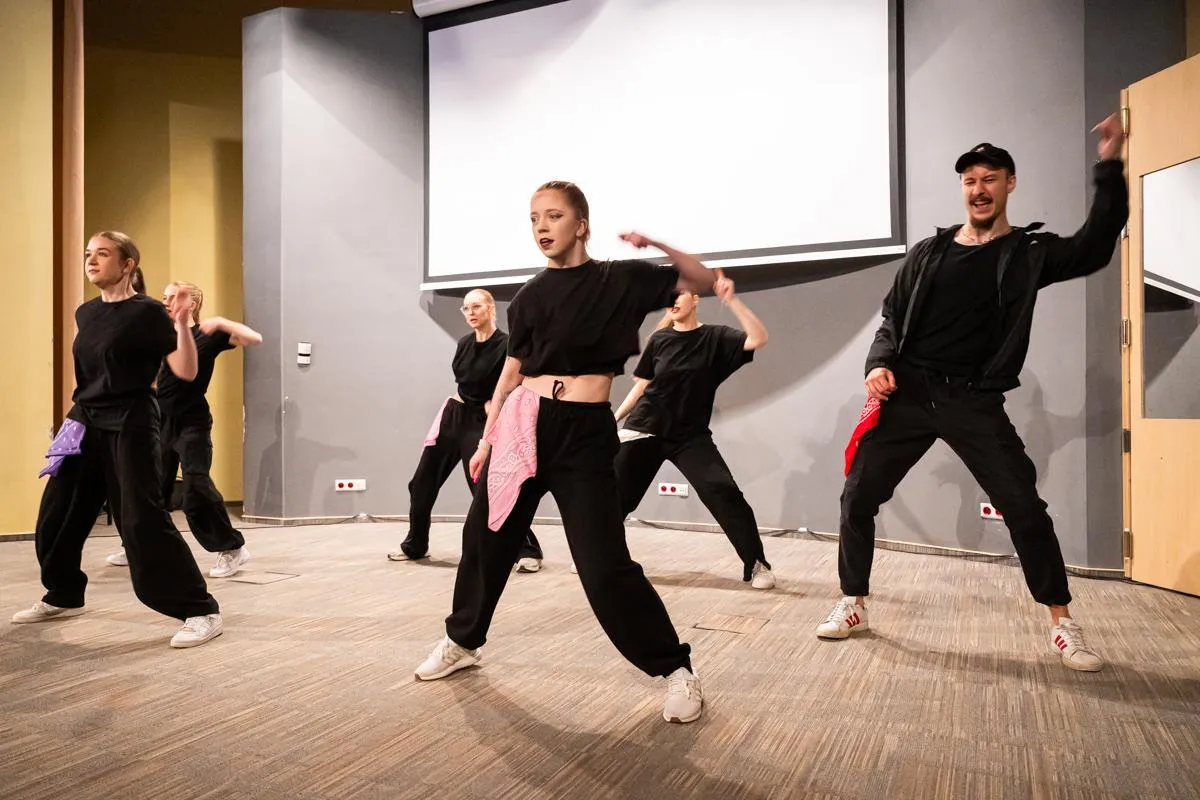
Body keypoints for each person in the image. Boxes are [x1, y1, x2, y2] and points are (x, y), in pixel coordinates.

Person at [818, 116, 1128, 672]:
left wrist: (1110, 166)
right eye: (969, 180)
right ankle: (854, 600)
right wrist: (878, 363)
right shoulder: (927, 252)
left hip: (972, 400)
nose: (979, 189)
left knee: (1024, 508)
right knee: (857, 495)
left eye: (990, 179)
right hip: (909, 393)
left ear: (1010, 184)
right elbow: (891, 317)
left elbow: (1095, 246)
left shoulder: (1028, 253)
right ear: (962, 188)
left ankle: (1062, 623)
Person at [414, 181, 716, 724]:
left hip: (585, 432)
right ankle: (463, 640)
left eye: (553, 216)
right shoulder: (529, 296)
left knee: (603, 564)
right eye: (534, 218)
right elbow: (513, 371)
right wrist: (487, 439)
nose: (541, 227)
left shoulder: (622, 279)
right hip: (524, 423)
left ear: (581, 224)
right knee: (484, 538)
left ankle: (676, 669)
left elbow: (703, 279)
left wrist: (655, 245)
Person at [12, 232, 223, 648]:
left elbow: (184, 370)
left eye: (103, 254)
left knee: (141, 519)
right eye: (88, 253)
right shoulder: (86, 313)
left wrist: (182, 323)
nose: (91, 260)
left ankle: (200, 609)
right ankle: (64, 593)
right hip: (84, 419)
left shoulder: (148, 312)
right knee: (58, 511)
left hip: (131, 420)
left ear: (128, 264)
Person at [611, 279, 774, 588]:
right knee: (615, 497)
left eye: (680, 295)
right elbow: (642, 386)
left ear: (696, 299)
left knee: (723, 491)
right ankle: (601, 558)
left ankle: (757, 564)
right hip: (645, 428)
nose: (673, 300)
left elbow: (758, 338)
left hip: (690, 436)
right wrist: (615, 419)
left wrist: (732, 300)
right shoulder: (659, 339)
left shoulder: (716, 337)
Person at [106, 281, 261, 578]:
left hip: (192, 423)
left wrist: (222, 321)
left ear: (192, 302)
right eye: (164, 297)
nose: (166, 302)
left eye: (174, 297)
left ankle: (232, 548)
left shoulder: (206, 334)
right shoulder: (160, 337)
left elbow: (254, 338)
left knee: (196, 487)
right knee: (148, 489)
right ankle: (139, 546)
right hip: (158, 422)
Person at [388, 289, 545, 572]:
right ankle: (415, 545)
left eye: (476, 307)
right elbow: (463, 383)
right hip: (454, 415)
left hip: (482, 420)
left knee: (485, 488)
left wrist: (495, 410)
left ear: (490, 308)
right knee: (421, 483)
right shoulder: (464, 343)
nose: (471, 313)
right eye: (466, 308)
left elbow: (515, 386)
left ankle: (527, 549)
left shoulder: (506, 345)